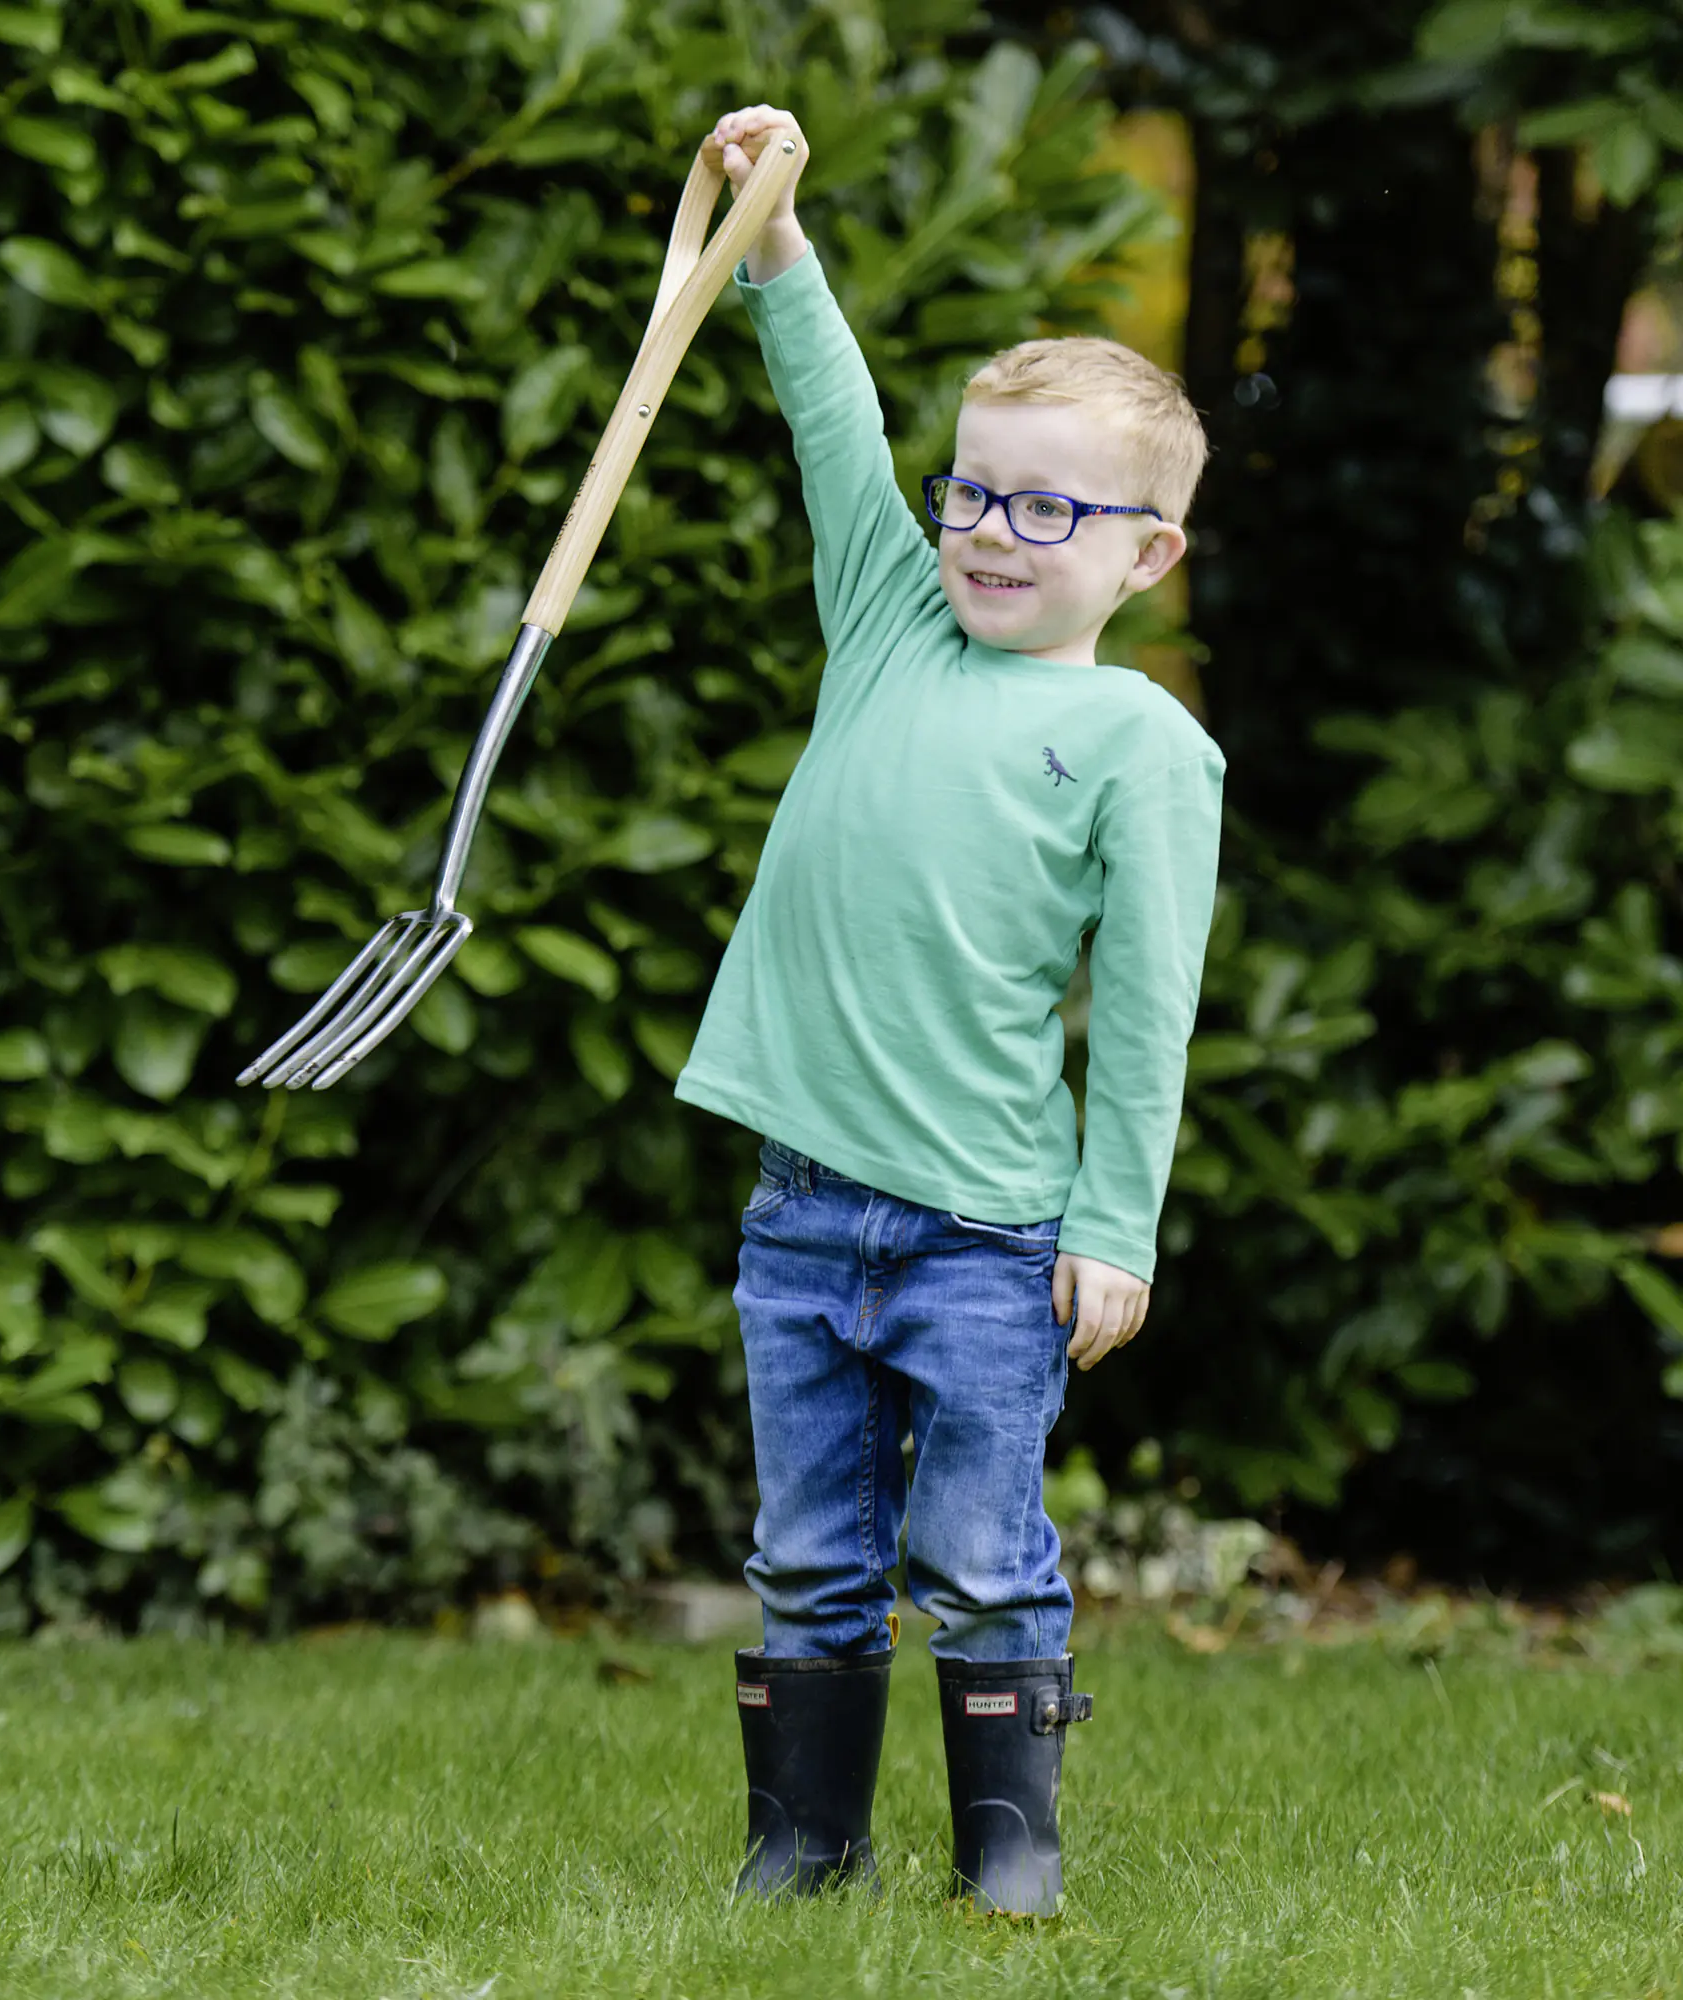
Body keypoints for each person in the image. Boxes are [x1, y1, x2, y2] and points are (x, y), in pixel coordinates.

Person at [672, 104, 1224, 1918]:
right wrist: (776, 240)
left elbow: (1146, 1009)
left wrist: (1115, 1227)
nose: (990, 533)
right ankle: (803, 1842)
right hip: (803, 1208)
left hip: (990, 1230)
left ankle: (1011, 1845)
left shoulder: (1145, 742)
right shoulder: (892, 619)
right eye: (972, 490)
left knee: (983, 1557)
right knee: (809, 1555)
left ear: (1144, 556)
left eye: (1048, 509)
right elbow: (836, 427)